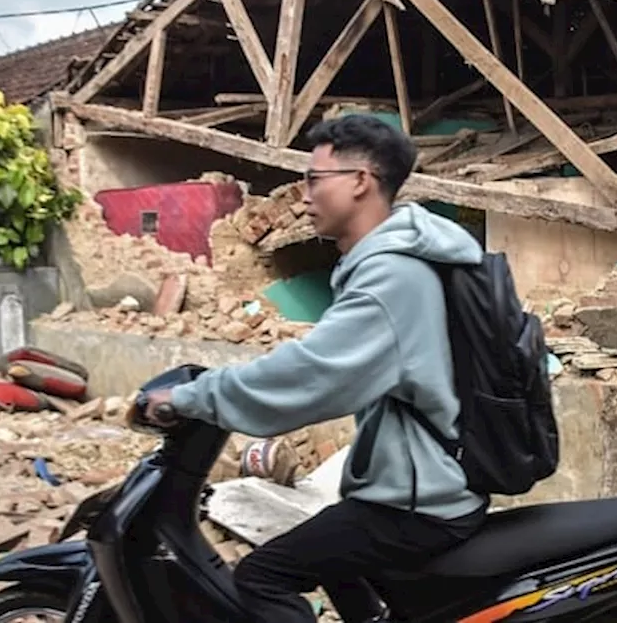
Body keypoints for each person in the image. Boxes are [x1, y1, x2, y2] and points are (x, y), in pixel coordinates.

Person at [140, 114, 487, 623]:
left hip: (419, 506)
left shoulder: (392, 276)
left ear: (360, 182)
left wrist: (193, 398)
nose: (302, 195)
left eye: (312, 180)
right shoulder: (394, 260)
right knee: (331, 549)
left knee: (262, 575)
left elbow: (312, 376)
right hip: (416, 488)